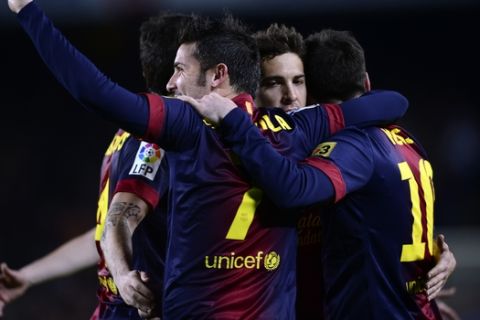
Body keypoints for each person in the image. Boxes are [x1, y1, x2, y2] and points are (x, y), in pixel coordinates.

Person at [8, 1, 409, 318]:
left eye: (180, 69)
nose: (171, 83)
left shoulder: (186, 124)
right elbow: (393, 101)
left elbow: (94, 91)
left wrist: (28, 12)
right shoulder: (301, 129)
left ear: (217, 76)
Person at [184, 29, 452, 319]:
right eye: (274, 83)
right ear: (250, 90)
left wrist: (434, 258)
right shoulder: (223, 154)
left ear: (311, 91)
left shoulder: (339, 150)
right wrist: (128, 273)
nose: (290, 96)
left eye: (298, 82)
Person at [0, 12, 193, 319]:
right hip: (139, 308)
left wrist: (30, 275)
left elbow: (106, 232)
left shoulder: (124, 136)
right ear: (182, 71)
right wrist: (123, 278)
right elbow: (116, 226)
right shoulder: (158, 141)